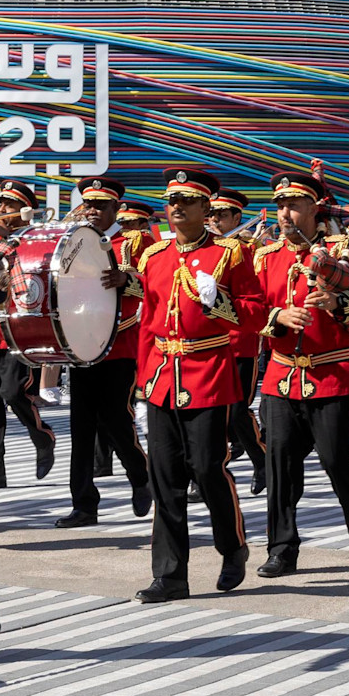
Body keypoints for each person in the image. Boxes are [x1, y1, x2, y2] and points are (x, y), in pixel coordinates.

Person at [131, 168, 267, 601]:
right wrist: (140, 385)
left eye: (187, 201)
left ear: (206, 209)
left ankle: (232, 546)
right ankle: (170, 575)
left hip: (208, 371)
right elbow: (146, 326)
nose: (177, 208)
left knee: (207, 468)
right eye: (172, 200)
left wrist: (219, 301)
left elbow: (255, 314)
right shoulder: (153, 256)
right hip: (161, 376)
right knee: (165, 475)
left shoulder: (231, 254)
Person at [252, 168, 349, 577]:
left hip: (333, 374)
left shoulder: (344, 253)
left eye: (293, 204)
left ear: (314, 207)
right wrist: (276, 315)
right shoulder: (266, 256)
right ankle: (282, 548)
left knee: (336, 461)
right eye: (280, 205)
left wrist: (339, 305)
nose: (284, 212)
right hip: (281, 375)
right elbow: (250, 307)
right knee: (280, 466)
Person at [56, 176, 154, 527]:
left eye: (101, 205)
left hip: (120, 343)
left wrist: (127, 280)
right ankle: (83, 504)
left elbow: (155, 283)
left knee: (115, 418)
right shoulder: (75, 243)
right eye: (89, 204)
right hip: (81, 343)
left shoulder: (135, 240)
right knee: (81, 427)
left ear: (117, 209)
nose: (93, 210)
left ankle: (141, 475)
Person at [0, 180, 56, 489]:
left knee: (12, 392)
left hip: (17, 331)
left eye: (9, 205)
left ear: (25, 212)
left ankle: (43, 436)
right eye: (0, 204)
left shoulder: (33, 241)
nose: (1, 210)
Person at [209, 186, 269, 491]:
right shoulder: (202, 248)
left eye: (222, 215)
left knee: (235, 411)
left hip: (239, 342)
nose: (216, 219)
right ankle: (205, 474)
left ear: (237, 218)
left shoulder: (248, 249)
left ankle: (262, 461)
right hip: (207, 342)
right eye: (213, 214)